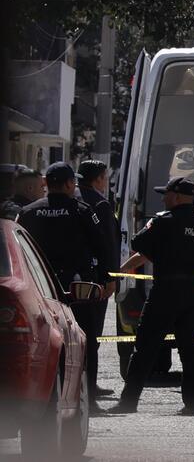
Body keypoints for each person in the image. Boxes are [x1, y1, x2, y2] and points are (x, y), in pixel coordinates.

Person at [110, 177, 194, 416]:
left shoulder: (163, 221)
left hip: (166, 291)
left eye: (165, 194)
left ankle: (129, 401)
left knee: (145, 347)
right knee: (190, 348)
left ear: (176, 196)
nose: (164, 198)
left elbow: (139, 243)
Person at [18, 162, 116, 412]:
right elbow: (102, 245)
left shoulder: (28, 212)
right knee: (83, 341)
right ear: (70, 184)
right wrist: (108, 278)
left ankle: (40, 395)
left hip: (40, 287)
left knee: (41, 341)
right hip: (77, 289)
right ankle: (87, 399)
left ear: (46, 184)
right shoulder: (81, 210)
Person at [76, 160, 122, 400]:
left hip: (67, 277)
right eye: (105, 178)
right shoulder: (99, 204)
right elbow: (109, 245)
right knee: (91, 332)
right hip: (94, 279)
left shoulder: (71, 198)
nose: (106, 182)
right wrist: (111, 277)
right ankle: (89, 387)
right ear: (97, 179)